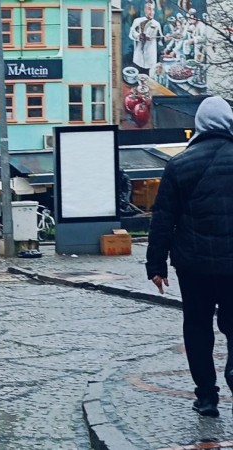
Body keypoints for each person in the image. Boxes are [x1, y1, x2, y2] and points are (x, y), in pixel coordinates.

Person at [146, 96, 233, 418]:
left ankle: (206, 397)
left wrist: (156, 265)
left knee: (197, 327)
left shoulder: (179, 164)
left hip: (193, 265)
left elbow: (163, 219)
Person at [128, 1, 163, 73]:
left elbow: (160, 40)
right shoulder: (137, 21)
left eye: (153, 9)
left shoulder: (157, 24)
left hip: (151, 60)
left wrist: (164, 39)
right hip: (138, 59)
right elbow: (131, 34)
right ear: (145, 10)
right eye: (149, 9)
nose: (151, 12)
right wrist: (140, 36)